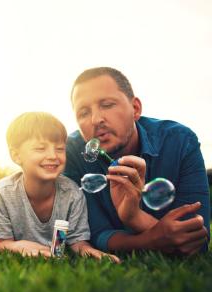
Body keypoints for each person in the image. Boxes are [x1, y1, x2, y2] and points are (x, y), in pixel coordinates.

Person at [64, 66, 210, 255]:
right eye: (83, 113)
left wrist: (134, 217)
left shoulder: (179, 141)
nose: (95, 119)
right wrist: (151, 240)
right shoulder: (72, 151)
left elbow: (195, 240)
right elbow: (95, 233)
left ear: (135, 108)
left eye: (107, 105)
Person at [0, 112, 120, 262]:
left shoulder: (73, 193)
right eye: (41, 149)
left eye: (60, 149)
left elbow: (77, 242)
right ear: (16, 156)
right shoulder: (3, 192)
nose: (53, 156)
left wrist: (90, 252)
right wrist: (20, 246)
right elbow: (2, 243)